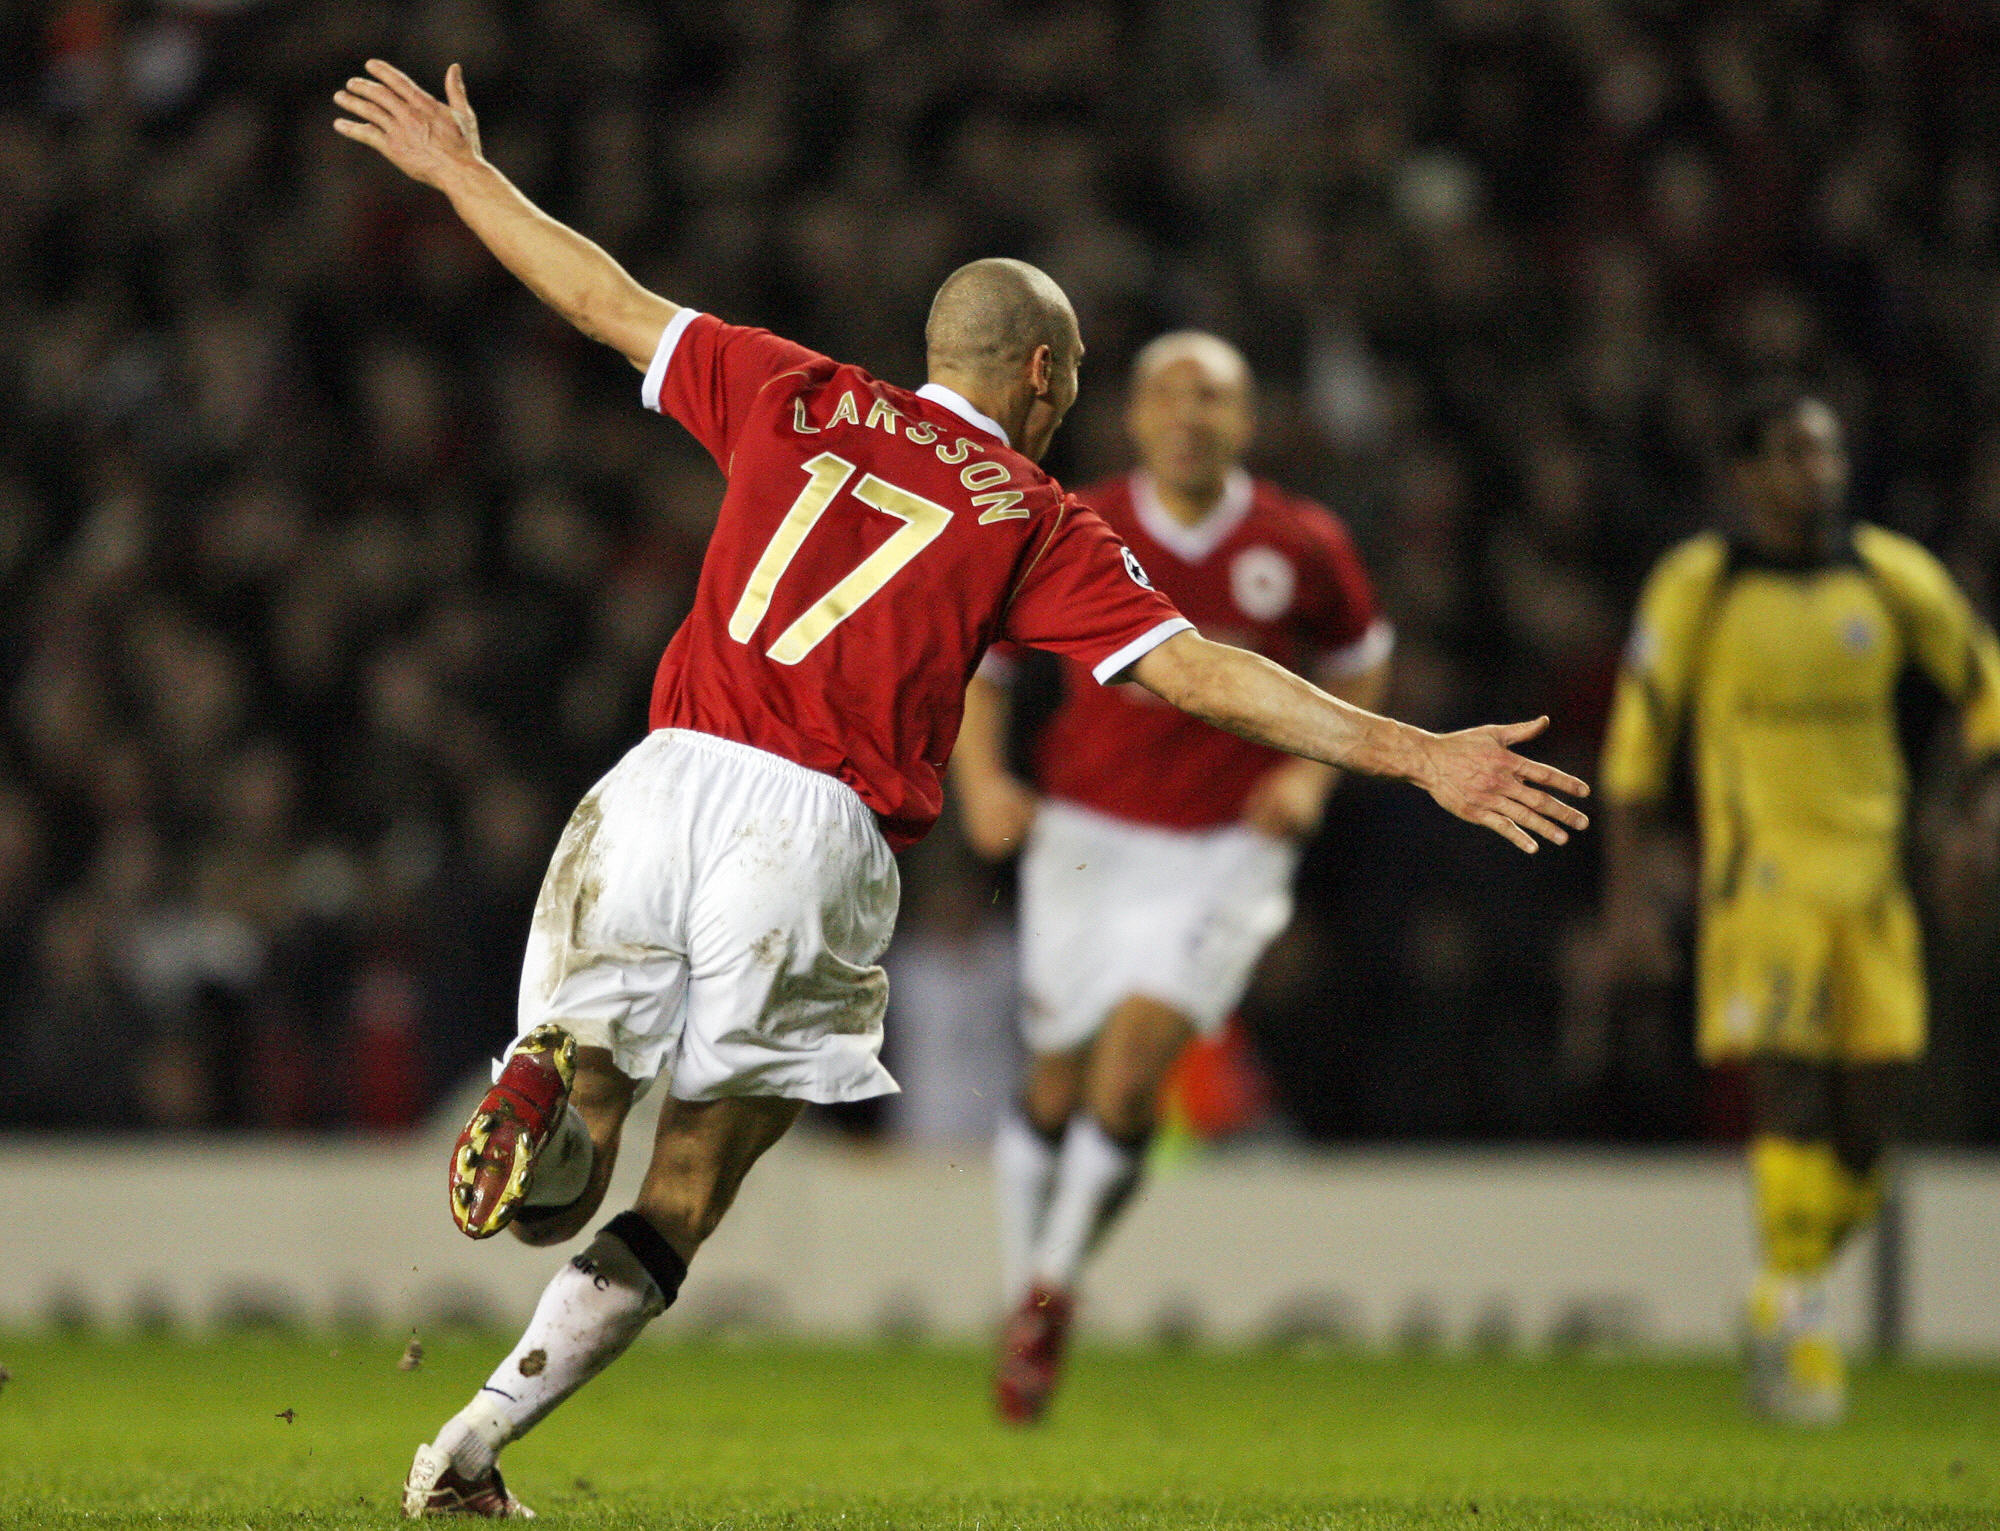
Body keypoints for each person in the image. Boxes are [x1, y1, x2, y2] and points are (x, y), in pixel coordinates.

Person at [331, 60, 1589, 1518]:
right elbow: (1198, 670)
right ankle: (473, 1438)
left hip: (654, 780)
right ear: (1045, 379)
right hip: (806, 826)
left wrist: (461, 176)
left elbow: (598, 291)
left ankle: (518, 1192)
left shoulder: (788, 384)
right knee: (684, 1189)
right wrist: (1416, 750)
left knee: (575, 1152)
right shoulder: (1034, 514)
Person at [950, 331, 1391, 1424]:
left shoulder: (1296, 542)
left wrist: (1307, 775)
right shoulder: (1067, 521)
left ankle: (1047, 1293)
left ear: (1246, 421)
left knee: (1136, 1059)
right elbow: (981, 663)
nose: (1190, 415)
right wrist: (981, 784)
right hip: (1086, 837)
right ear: (1134, 416)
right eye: (1168, 396)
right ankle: (1025, 1290)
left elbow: (1361, 651)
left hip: (1225, 849)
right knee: (1056, 1076)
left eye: (1213, 398)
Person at [1599, 389, 2000, 1424]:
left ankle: (1777, 1294)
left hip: (1873, 886)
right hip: (1759, 880)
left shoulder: (1890, 574)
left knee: (1868, 1133)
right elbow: (1636, 745)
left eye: (1826, 450)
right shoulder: (1701, 584)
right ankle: (1810, 1345)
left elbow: (1985, 687)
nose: (1818, 471)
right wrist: (1628, 898)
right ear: (1744, 475)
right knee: (1790, 1100)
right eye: (1793, 453)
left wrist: (1971, 816)